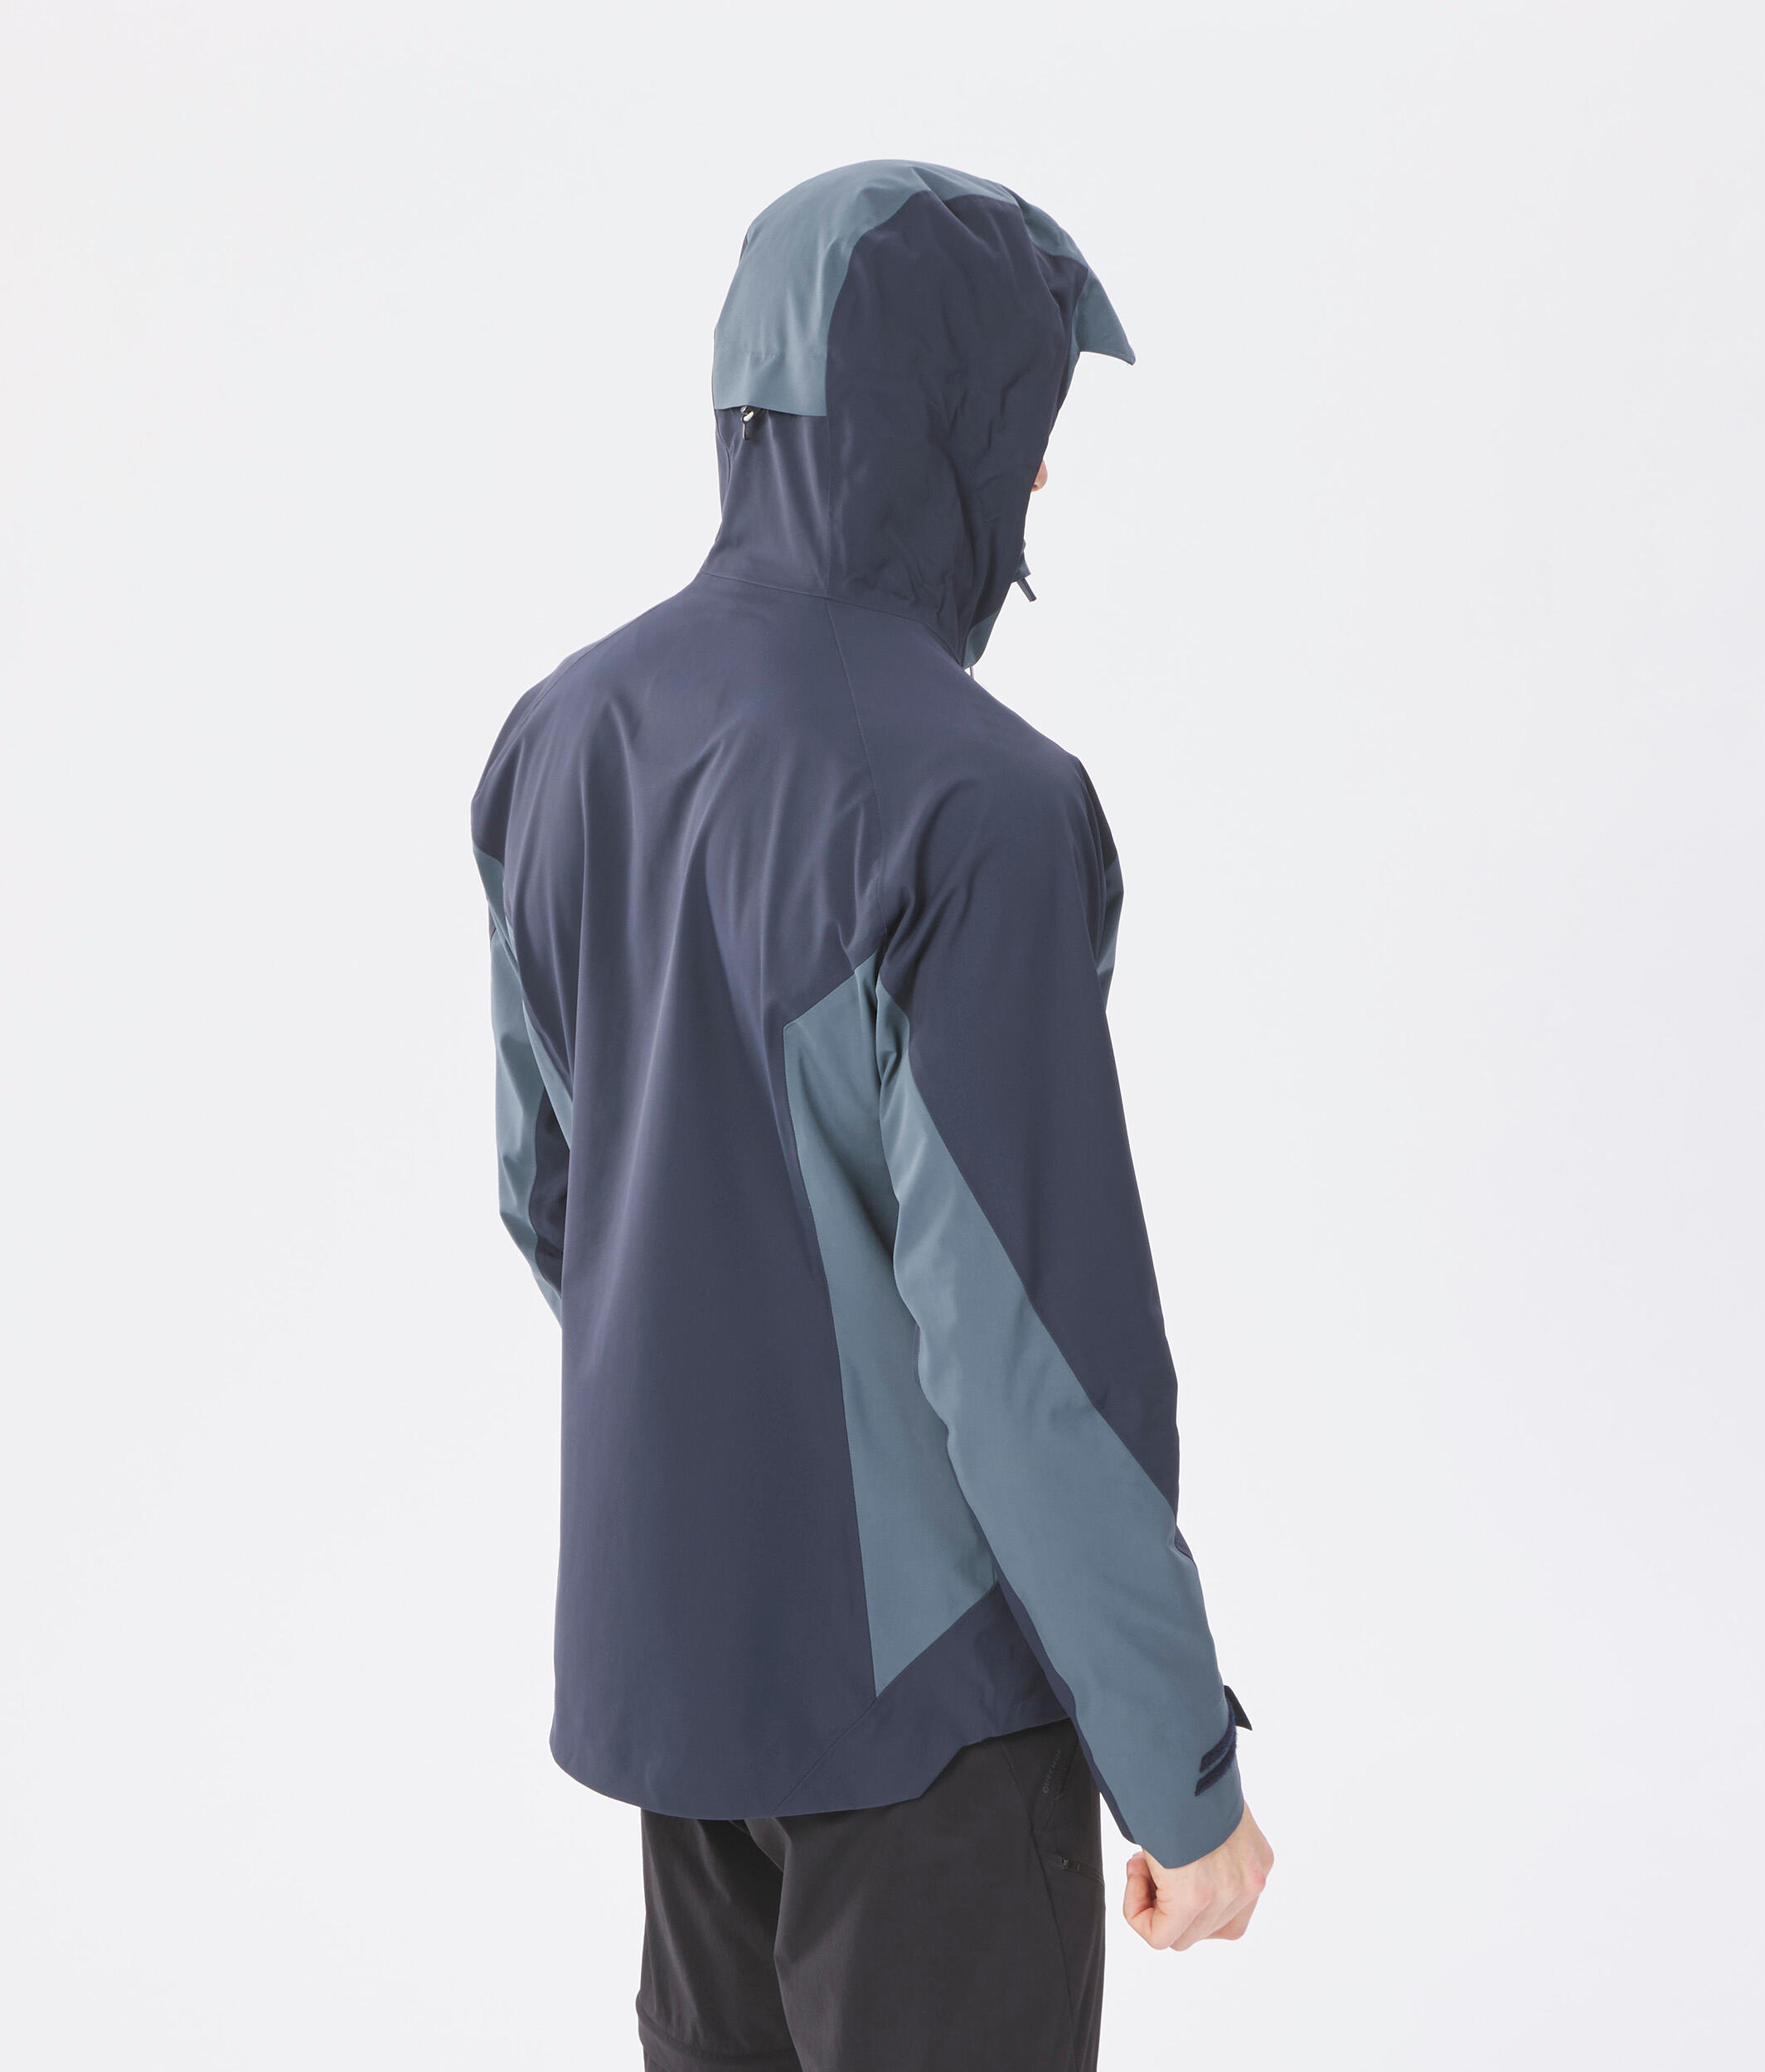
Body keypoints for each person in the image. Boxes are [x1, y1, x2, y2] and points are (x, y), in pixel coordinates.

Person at [470, 160, 1271, 2072]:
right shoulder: (974, 804)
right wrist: (1180, 1771)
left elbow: (556, 1198)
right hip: (932, 1723)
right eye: (1024, 420)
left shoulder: (564, 737)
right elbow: (1028, 1359)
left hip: (687, 1678)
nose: (1040, 476)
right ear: (937, 426)